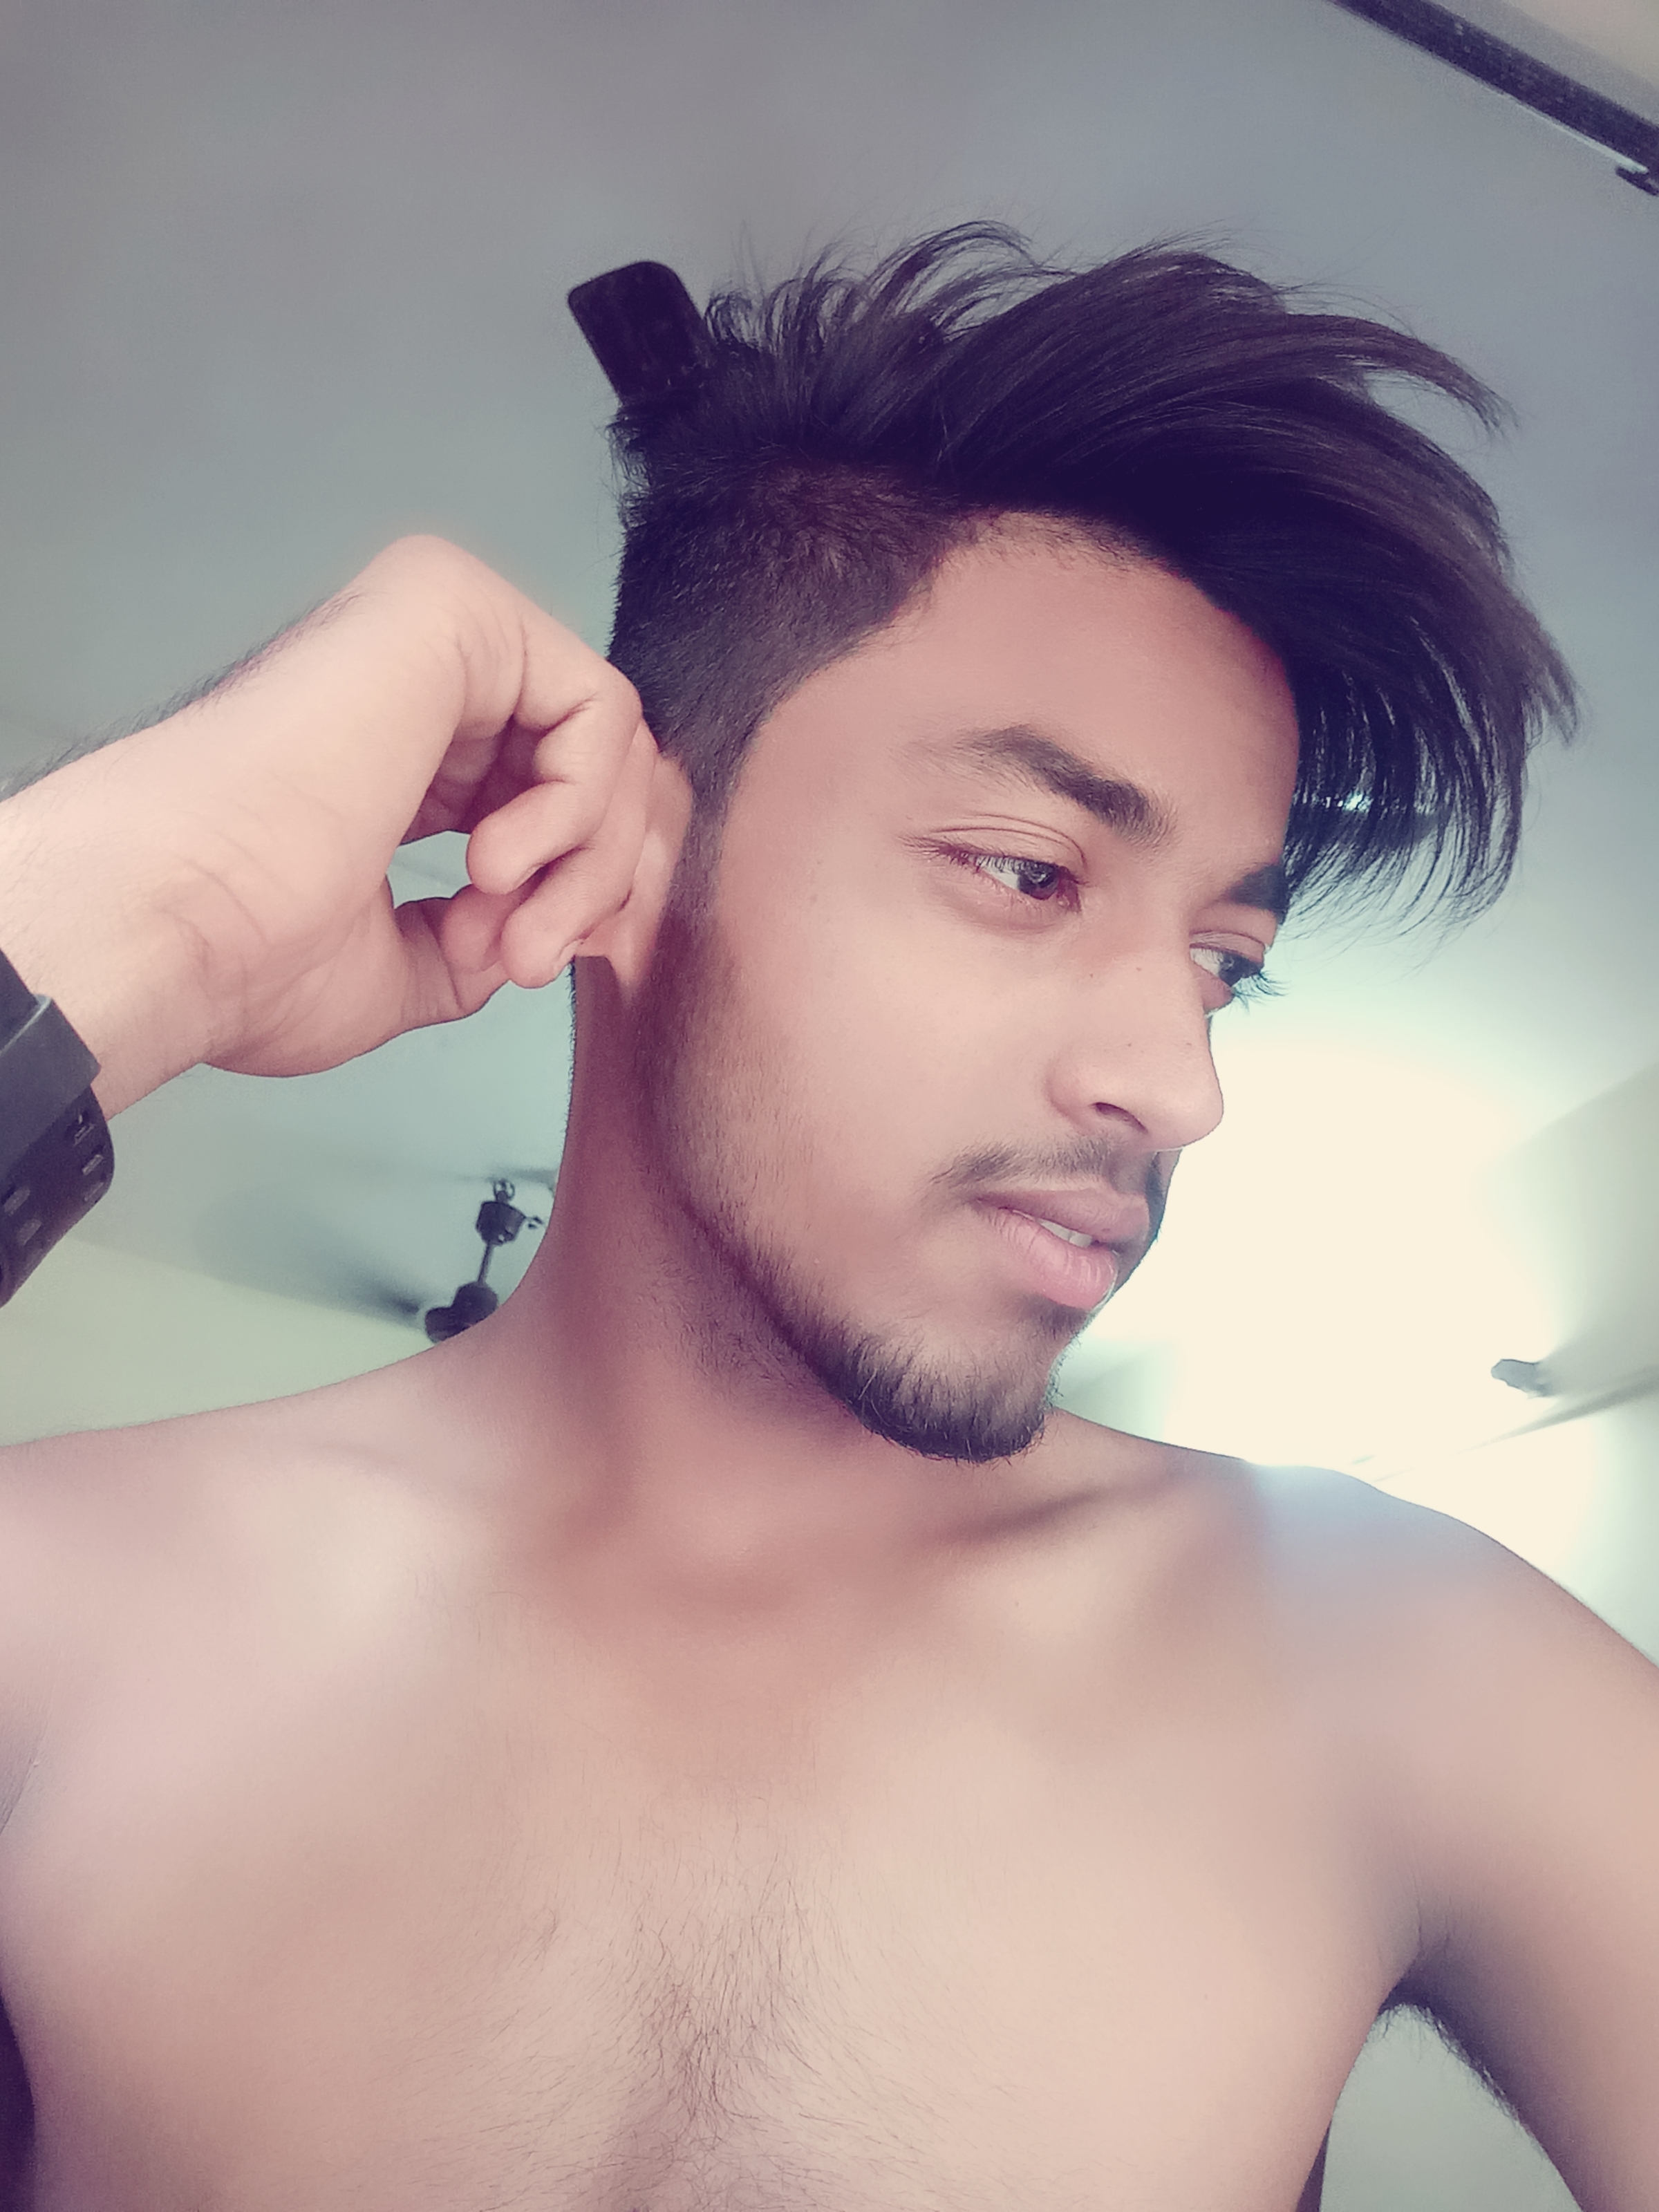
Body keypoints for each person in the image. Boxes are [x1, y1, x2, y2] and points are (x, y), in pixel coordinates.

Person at [0, 227, 1653, 2212]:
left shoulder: (1396, 1658)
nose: (1180, 1083)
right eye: (1030, 872)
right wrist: (133, 926)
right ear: (623, 844)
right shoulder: (54, 1610)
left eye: (1226, 962)